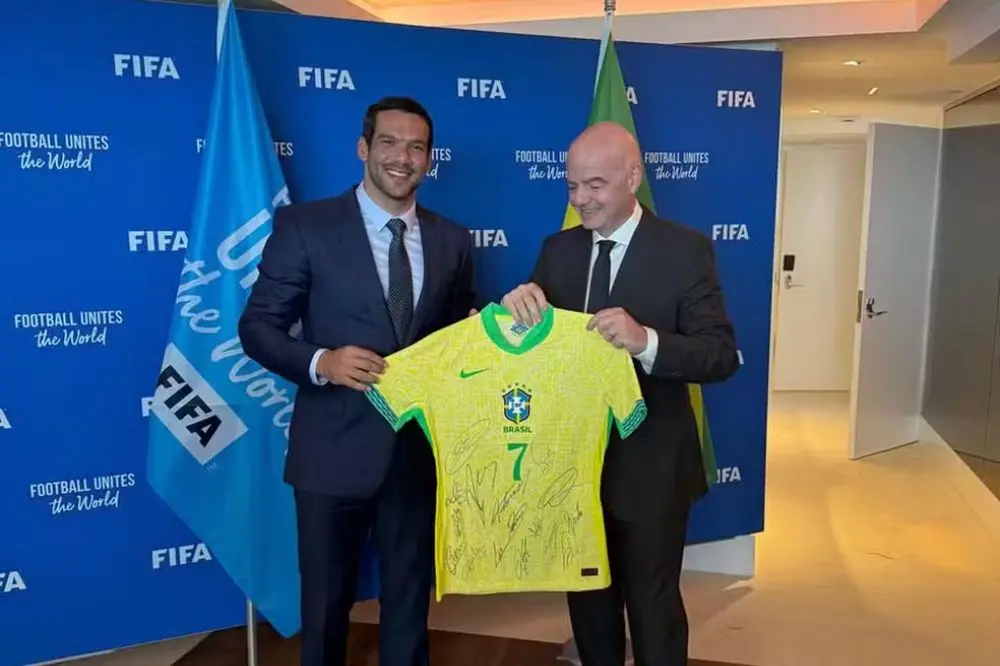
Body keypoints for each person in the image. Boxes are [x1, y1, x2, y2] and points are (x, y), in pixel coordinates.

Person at [238, 96, 478, 666]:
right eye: (389, 143)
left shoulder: (452, 239)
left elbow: (457, 330)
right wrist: (322, 362)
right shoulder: (305, 227)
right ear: (363, 148)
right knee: (324, 610)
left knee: (408, 607)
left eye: (416, 147)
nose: (402, 157)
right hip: (332, 453)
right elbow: (257, 327)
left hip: (416, 454)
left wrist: (483, 329)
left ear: (429, 159)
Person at [501, 121, 739, 666]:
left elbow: (719, 354)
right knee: (588, 606)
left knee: (653, 611)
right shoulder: (557, 250)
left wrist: (645, 341)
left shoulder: (685, 250)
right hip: (571, 470)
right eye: (572, 186)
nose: (581, 199)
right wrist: (515, 312)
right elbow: (533, 348)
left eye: (595, 185)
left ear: (632, 178)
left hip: (652, 468)